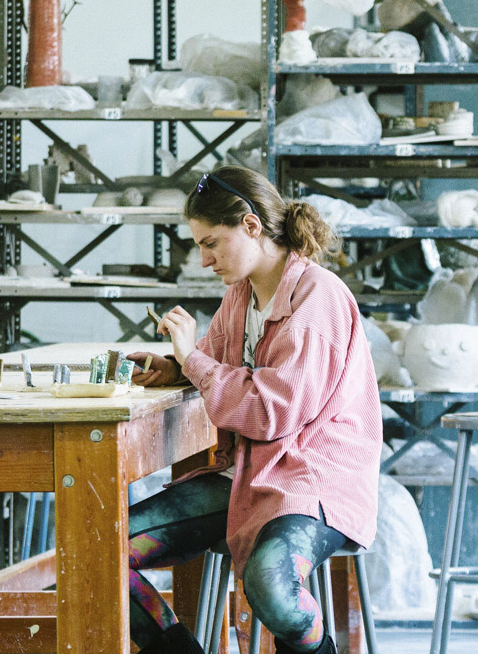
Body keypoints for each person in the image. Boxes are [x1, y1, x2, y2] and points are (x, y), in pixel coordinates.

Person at [126, 166, 382, 654]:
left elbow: (270, 413)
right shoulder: (241, 295)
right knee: (100, 552)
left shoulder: (316, 298)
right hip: (248, 473)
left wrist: (192, 359)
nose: (204, 260)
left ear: (250, 225)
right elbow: (223, 365)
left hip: (313, 476)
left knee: (271, 586)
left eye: (212, 243)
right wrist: (174, 367)